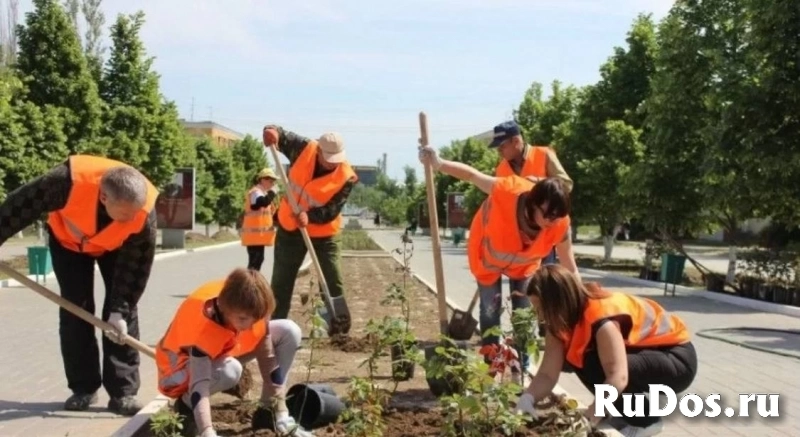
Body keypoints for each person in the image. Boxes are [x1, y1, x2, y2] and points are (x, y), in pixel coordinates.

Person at [0, 155, 159, 415]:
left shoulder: (143, 213)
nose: (131, 219)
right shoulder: (64, 182)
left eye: (135, 213)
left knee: (121, 317)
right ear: (104, 198)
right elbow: (16, 208)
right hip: (69, 244)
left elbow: (137, 268)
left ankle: (123, 392)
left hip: (118, 247)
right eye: (124, 214)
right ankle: (83, 388)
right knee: (76, 309)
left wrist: (121, 307)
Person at [418, 145, 580, 384]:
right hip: (487, 260)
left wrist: (580, 302)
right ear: (533, 204)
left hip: (524, 266)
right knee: (490, 312)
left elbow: (570, 265)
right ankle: (493, 369)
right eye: (546, 215)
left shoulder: (559, 222)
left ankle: (520, 370)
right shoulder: (508, 190)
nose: (550, 221)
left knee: (524, 314)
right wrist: (438, 163)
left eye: (556, 217)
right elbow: (473, 176)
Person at [516, 265, 697, 437]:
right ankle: (623, 411)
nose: (539, 316)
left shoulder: (601, 319)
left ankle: (646, 422)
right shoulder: (557, 322)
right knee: (580, 359)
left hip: (677, 360)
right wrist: (528, 398)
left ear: (558, 303)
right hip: (647, 356)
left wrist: (589, 417)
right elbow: (548, 373)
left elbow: (618, 376)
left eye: (542, 309)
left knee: (593, 363)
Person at [156, 268, 312, 437]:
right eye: (243, 319)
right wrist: (207, 431)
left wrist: (282, 412)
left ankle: (267, 412)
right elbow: (199, 385)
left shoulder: (251, 307)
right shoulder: (203, 327)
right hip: (178, 371)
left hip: (224, 348)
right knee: (230, 370)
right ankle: (186, 409)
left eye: (256, 319)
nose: (249, 326)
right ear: (223, 307)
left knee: (289, 331)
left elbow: (269, 363)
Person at [262, 125, 358, 329]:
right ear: (319, 151)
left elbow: (332, 209)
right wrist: (271, 132)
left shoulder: (347, 176)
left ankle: (336, 328)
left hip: (325, 235)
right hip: (290, 230)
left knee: (332, 280)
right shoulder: (304, 148)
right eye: (328, 159)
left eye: (336, 160)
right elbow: (280, 134)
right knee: (281, 280)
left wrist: (310, 216)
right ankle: (275, 326)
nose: (332, 165)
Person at [488, 120, 573, 266]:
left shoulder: (543, 154)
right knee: (519, 286)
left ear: (516, 141)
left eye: (502, 146)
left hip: (545, 233)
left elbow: (566, 184)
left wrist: (539, 181)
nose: (499, 151)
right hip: (517, 240)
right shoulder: (501, 169)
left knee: (544, 281)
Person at [241, 168, 279, 271]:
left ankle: (252, 283)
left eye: (273, 182)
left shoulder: (262, 193)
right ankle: (249, 283)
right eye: (270, 181)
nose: (272, 184)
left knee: (258, 260)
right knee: (255, 262)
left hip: (258, 236)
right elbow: (258, 204)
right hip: (254, 236)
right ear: (262, 180)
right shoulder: (256, 192)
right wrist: (272, 193)